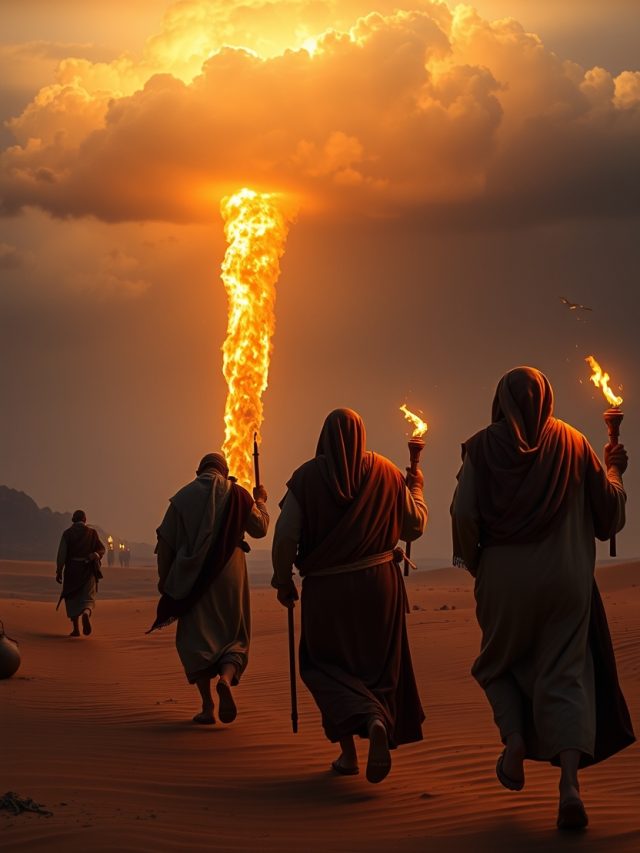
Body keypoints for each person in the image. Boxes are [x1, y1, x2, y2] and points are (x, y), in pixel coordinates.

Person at [451, 366, 635, 831]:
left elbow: (462, 515)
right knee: (566, 674)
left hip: (502, 584)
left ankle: (513, 741)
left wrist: (476, 564)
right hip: (566, 581)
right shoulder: (574, 442)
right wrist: (614, 469)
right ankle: (569, 784)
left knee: (496, 665)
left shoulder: (480, 447)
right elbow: (608, 516)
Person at [272, 408, 428, 783]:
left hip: (327, 593)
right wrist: (417, 487)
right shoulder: (390, 473)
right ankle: (375, 720)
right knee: (376, 666)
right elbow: (415, 526)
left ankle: (350, 750)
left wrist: (282, 580)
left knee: (322, 664)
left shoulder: (306, 478)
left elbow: (285, 537)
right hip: (381, 589)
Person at [149, 452, 268, 725]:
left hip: (192, 580)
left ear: (198, 471)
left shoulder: (181, 499)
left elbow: (165, 543)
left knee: (195, 640)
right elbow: (260, 528)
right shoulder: (239, 496)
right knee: (233, 635)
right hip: (231, 575)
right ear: (224, 472)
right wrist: (260, 500)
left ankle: (207, 706)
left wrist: (165, 580)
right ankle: (225, 679)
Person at [56, 510, 105, 637]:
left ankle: (76, 629)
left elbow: (62, 554)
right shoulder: (92, 533)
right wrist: (95, 554)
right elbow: (101, 549)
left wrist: (59, 571)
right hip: (88, 570)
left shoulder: (67, 534)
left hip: (72, 571)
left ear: (73, 519)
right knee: (87, 599)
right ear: (85, 519)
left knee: (72, 598)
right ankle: (86, 614)